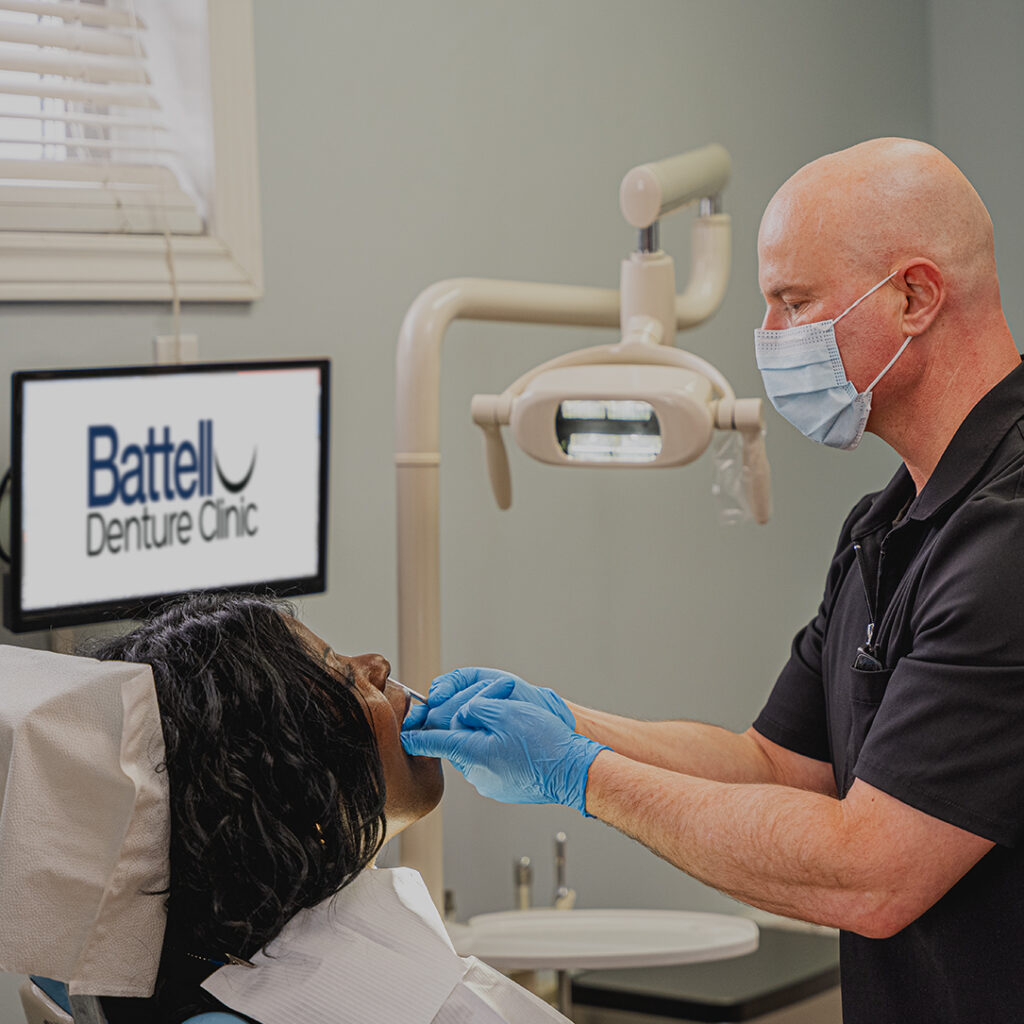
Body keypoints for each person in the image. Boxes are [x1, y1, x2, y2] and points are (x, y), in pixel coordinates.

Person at [401, 138, 1024, 1022]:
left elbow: (871, 874)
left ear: (915, 296)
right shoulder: (887, 527)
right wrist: (563, 720)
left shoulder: (1007, 543)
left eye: (794, 303)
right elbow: (776, 765)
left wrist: (582, 774)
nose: (770, 340)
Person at [81, 592, 567, 1024]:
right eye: (340, 672)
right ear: (291, 785)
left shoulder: (186, 970)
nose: (377, 664)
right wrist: (585, 776)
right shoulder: (405, 1003)